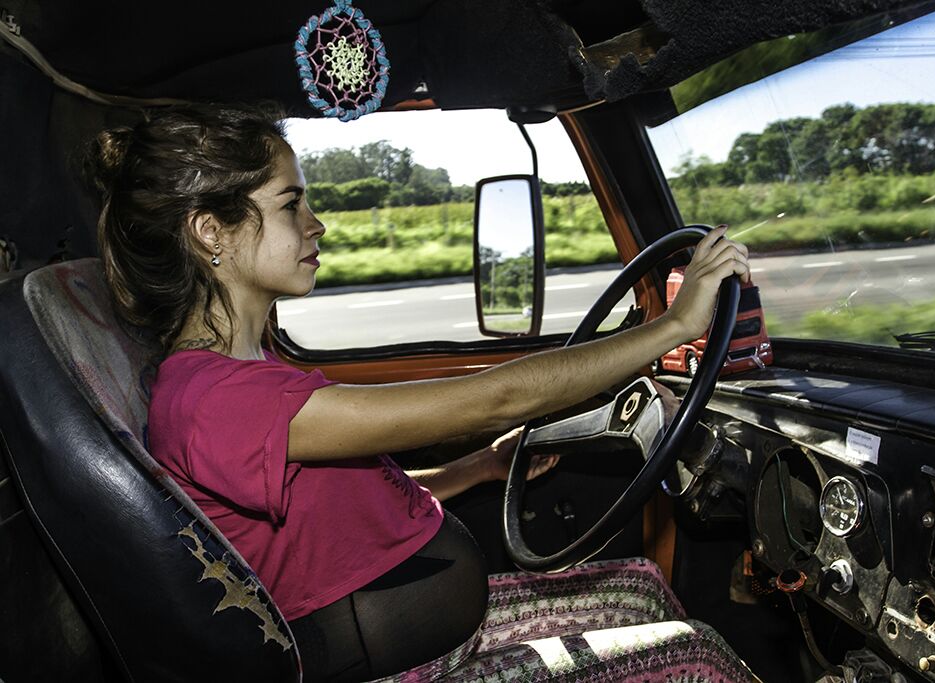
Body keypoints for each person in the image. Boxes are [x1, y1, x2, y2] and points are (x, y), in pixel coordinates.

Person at [84, 105, 750, 682]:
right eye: (291, 204)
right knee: (702, 657)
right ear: (211, 233)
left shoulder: (243, 372)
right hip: (401, 665)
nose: (318, 225)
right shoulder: (217, 399)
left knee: (638, 587)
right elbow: (496, 397)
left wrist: (477, 466)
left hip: (423, 635)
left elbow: (344, 505)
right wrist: (673, 325)